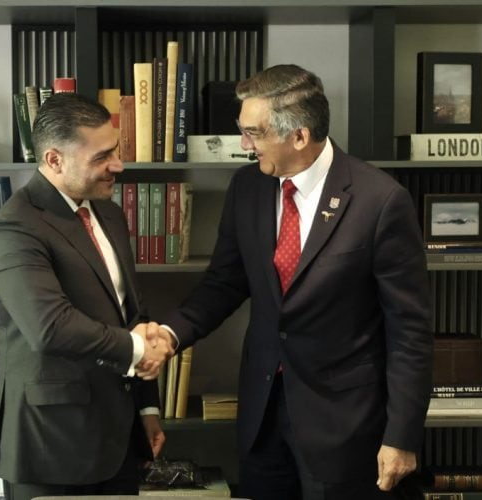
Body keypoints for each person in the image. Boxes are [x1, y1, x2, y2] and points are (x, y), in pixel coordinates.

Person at [163, 64, 433, 499]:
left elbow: (410, 333)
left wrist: (402, 436)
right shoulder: (247, 188)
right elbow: (224, 283)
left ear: (300, 136)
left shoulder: (380, 201)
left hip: (344, 424)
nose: (244, 145)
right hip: (263, 416)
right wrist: (170, 334)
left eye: (253, 133)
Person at [0, 92, 174, 500]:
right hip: (52, 446)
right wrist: (141, 349)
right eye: (102, 157)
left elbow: (132, 313)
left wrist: (147, 408)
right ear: (54, 160)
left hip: (120, 438)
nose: (118, 165)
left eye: (116, 150)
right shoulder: (13, 228)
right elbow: (50, 328)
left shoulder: (109, 213)